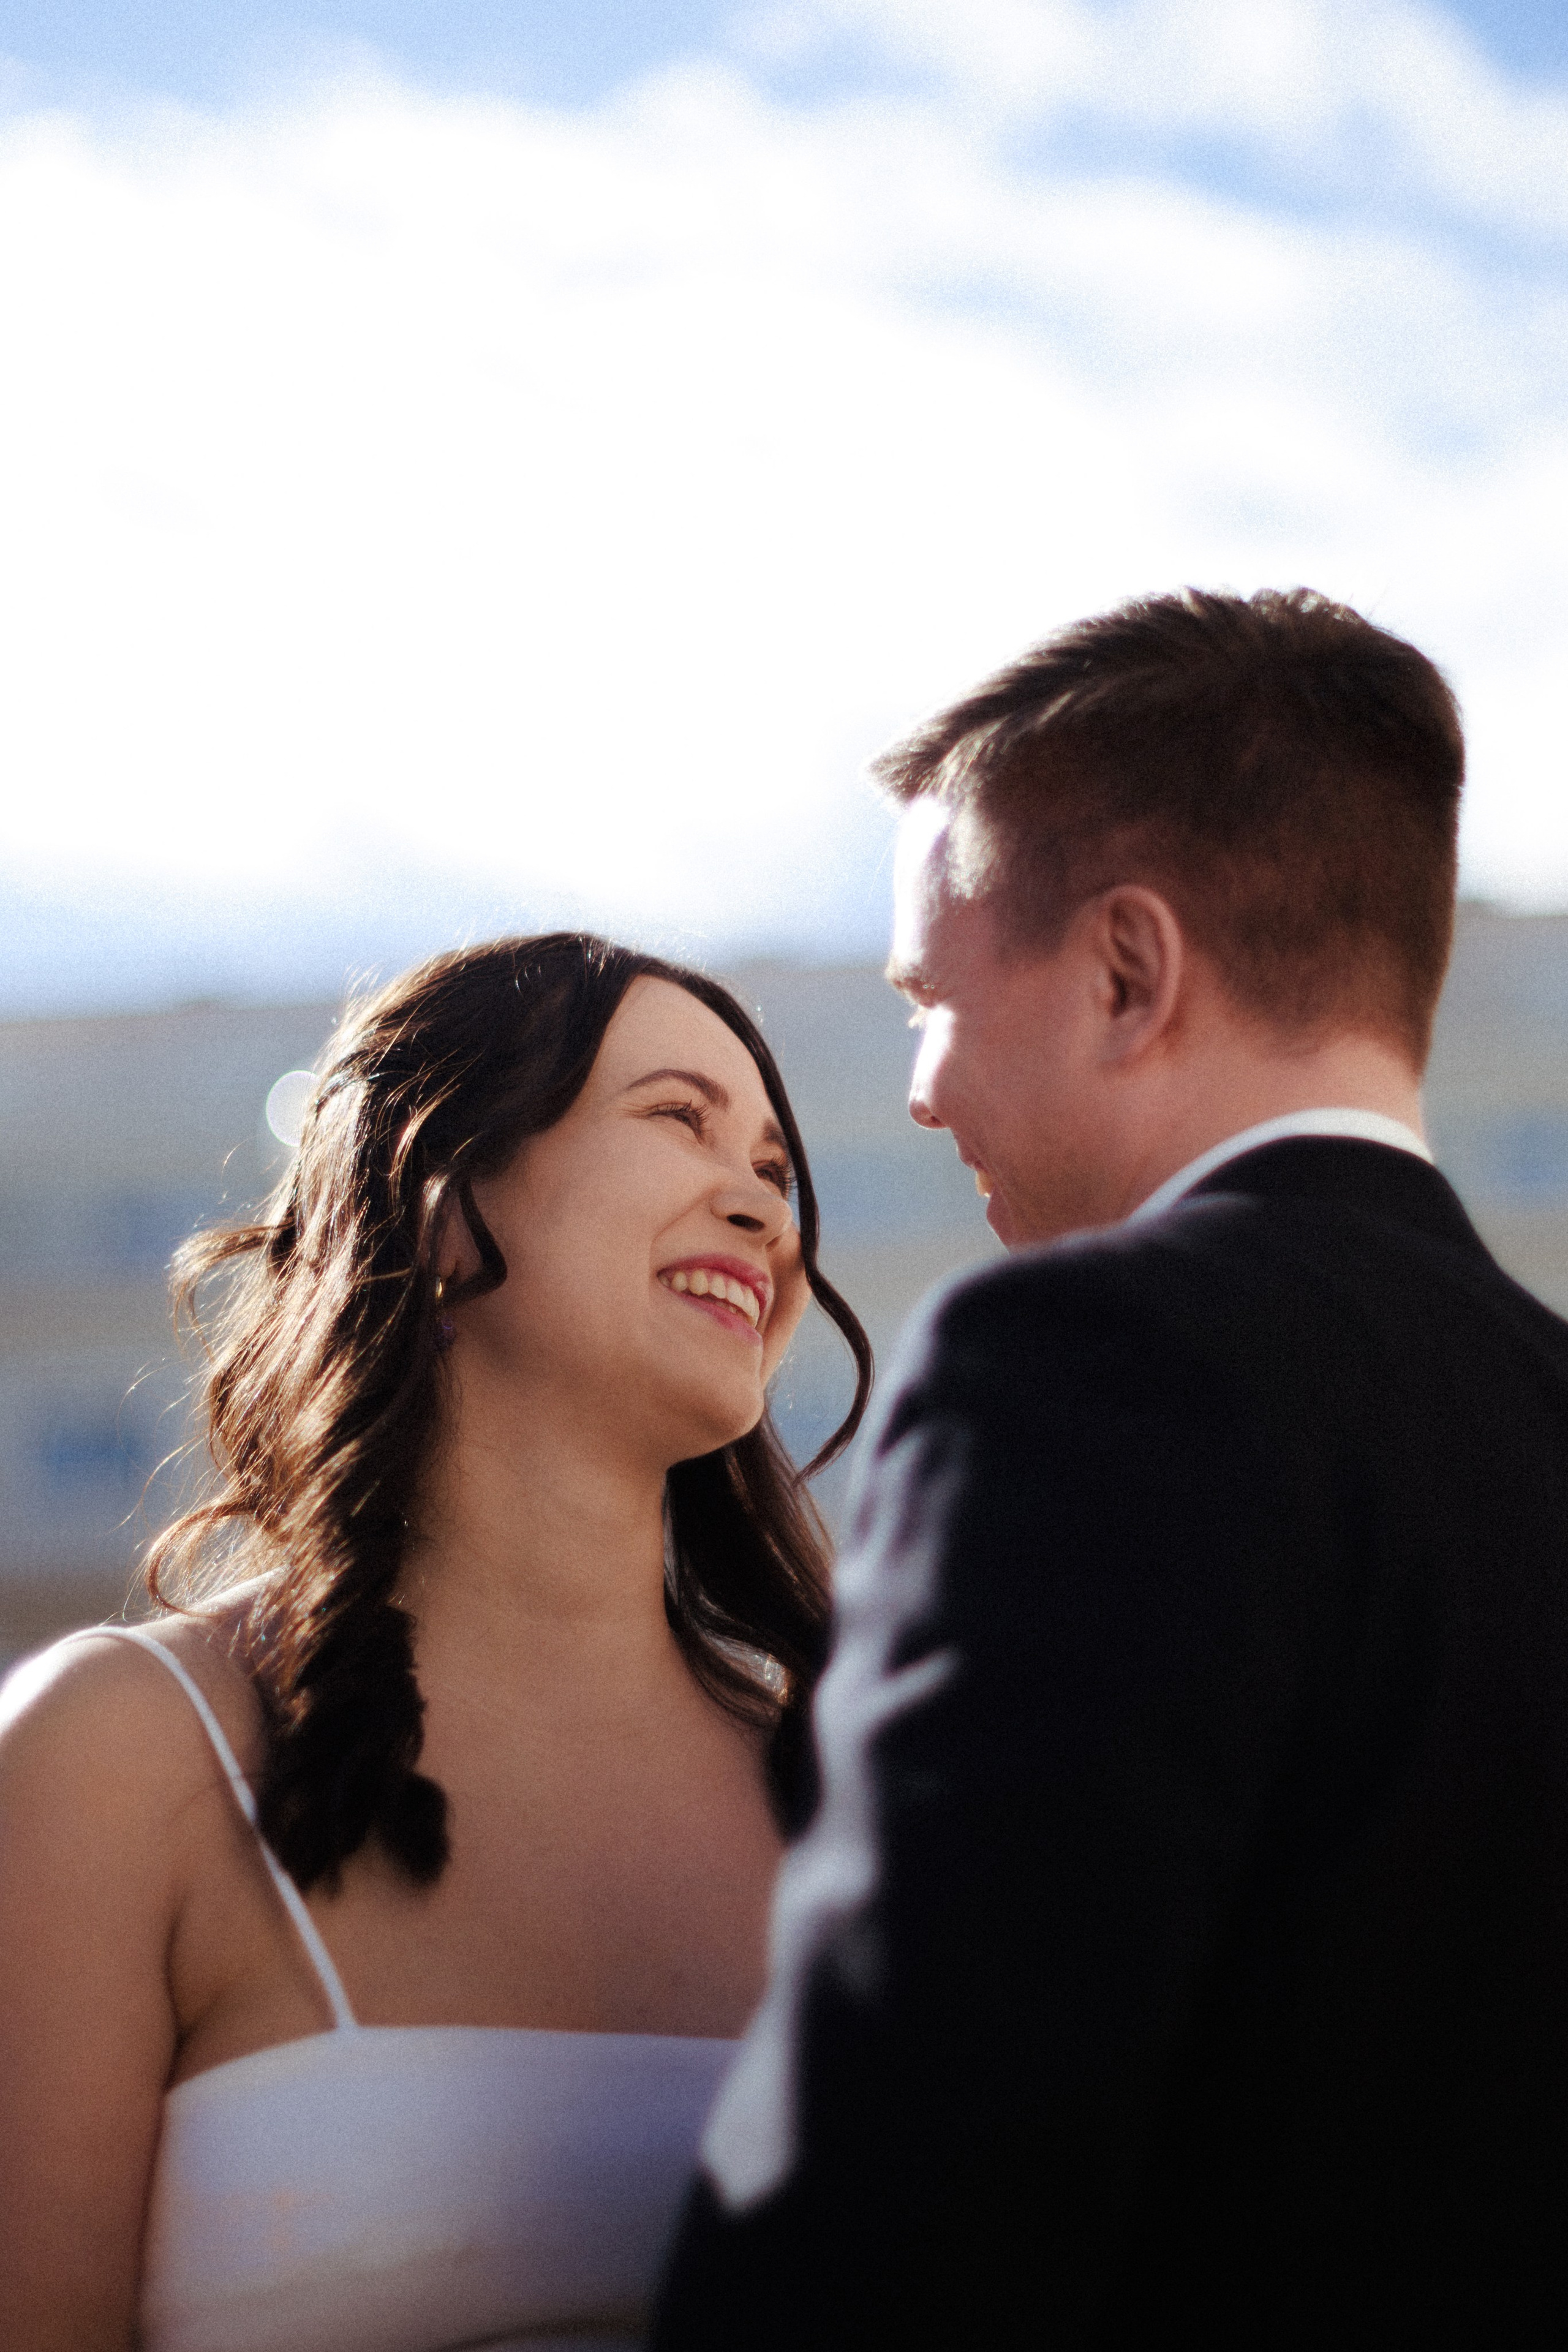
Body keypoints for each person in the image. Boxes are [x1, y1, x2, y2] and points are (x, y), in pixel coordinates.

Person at [652, 587, 1568, 2347]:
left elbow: (911, 2163)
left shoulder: (1085, 1369)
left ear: (1129, 974)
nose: (920, 1090)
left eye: (931, 996)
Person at [0, 932, 870, 2352]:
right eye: (676, 1118)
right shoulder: (120, 1752)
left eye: (777, 1171)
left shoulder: (851, 1797)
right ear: (442, 1196)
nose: (762, 1211)